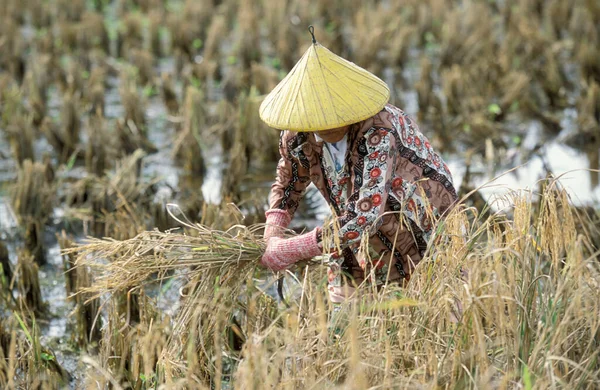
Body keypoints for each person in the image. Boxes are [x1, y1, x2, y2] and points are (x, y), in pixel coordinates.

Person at [258, 27, 458, 302]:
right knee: (347, 297)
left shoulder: (378, 132)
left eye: (334, 117)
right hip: (353, 214)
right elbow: (288, 183)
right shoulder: (296, 136)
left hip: (414, 209)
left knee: (427, 291)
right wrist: (273, 233)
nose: (327, 127)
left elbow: (368, 213)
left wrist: (295, 248)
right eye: (318, 122)